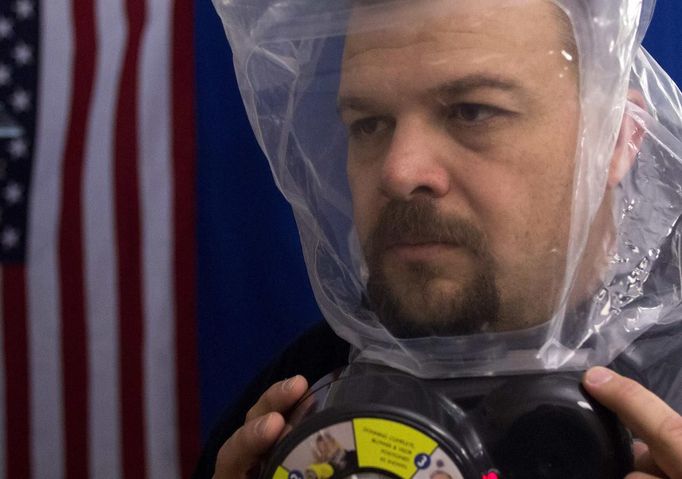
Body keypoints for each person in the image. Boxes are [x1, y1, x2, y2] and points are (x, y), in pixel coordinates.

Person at [200, 0, 682, 477]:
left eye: (472, 112)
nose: (398, 170)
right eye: (368, 124)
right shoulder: (296, 405)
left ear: (616, 138)